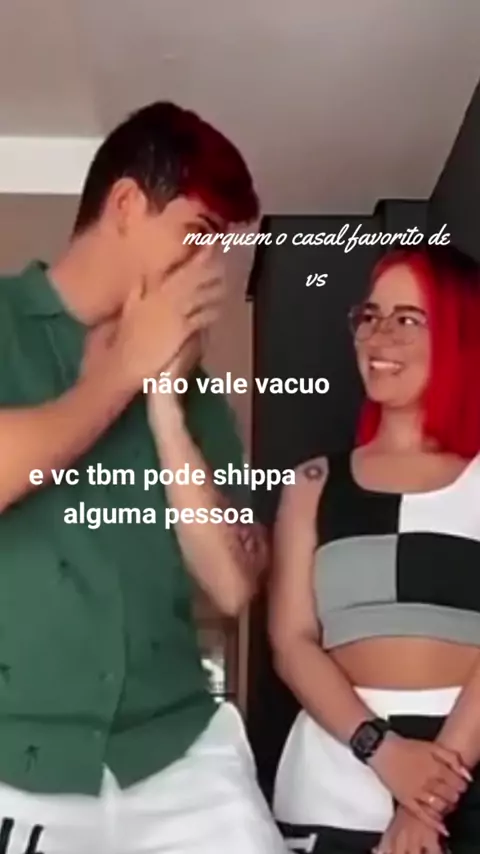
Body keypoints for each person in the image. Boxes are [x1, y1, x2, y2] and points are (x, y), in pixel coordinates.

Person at [0, 102, 287, 854]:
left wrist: (164, 408)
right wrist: (123, 370)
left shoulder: (198, 396)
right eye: (198, 235)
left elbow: (232, 584)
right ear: (127, 204)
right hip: (15, 755)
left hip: (177, 748)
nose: (210, 269)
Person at [269, 243, 480, 854]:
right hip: (336, 775)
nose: (379, 335)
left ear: (459, 333)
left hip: (465, 768)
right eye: (370, 315)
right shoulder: (313, 483)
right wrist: (383, 751)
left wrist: (428, 794)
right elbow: (291, 643)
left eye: (408, 318)